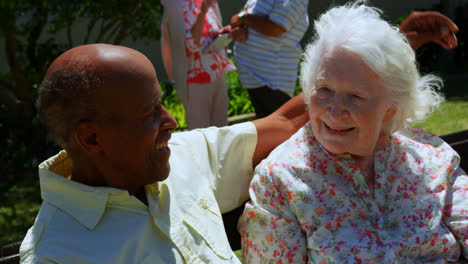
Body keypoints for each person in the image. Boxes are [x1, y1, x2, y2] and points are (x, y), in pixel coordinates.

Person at [19, 43, 309, 263]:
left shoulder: (181, 156)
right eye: (151, 112)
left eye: (163, 104)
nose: (171, 122)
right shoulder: (56, 254)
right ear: (92, 138)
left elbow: (286, 123)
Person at [238, 2, 467, 263]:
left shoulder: (432, 160)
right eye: (324, 89)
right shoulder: (281, 181)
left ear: (391, 109)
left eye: (356, 96)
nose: (335, 111)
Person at [230, 0, 310, 119]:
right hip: (256, 77)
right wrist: (240, 26)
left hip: (272, 80)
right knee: (267, 126)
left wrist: (245, 18)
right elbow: (241, 17)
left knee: (278, 129)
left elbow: (276, 28)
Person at [161, 0, 234, 129]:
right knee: (201, 132)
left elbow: (211, 33)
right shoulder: (175, 7)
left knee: (222, 131)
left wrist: (223, 33)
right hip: (195, 81)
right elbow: (192, 45)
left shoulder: (207, 3)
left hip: (217, 74)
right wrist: (203, 12)